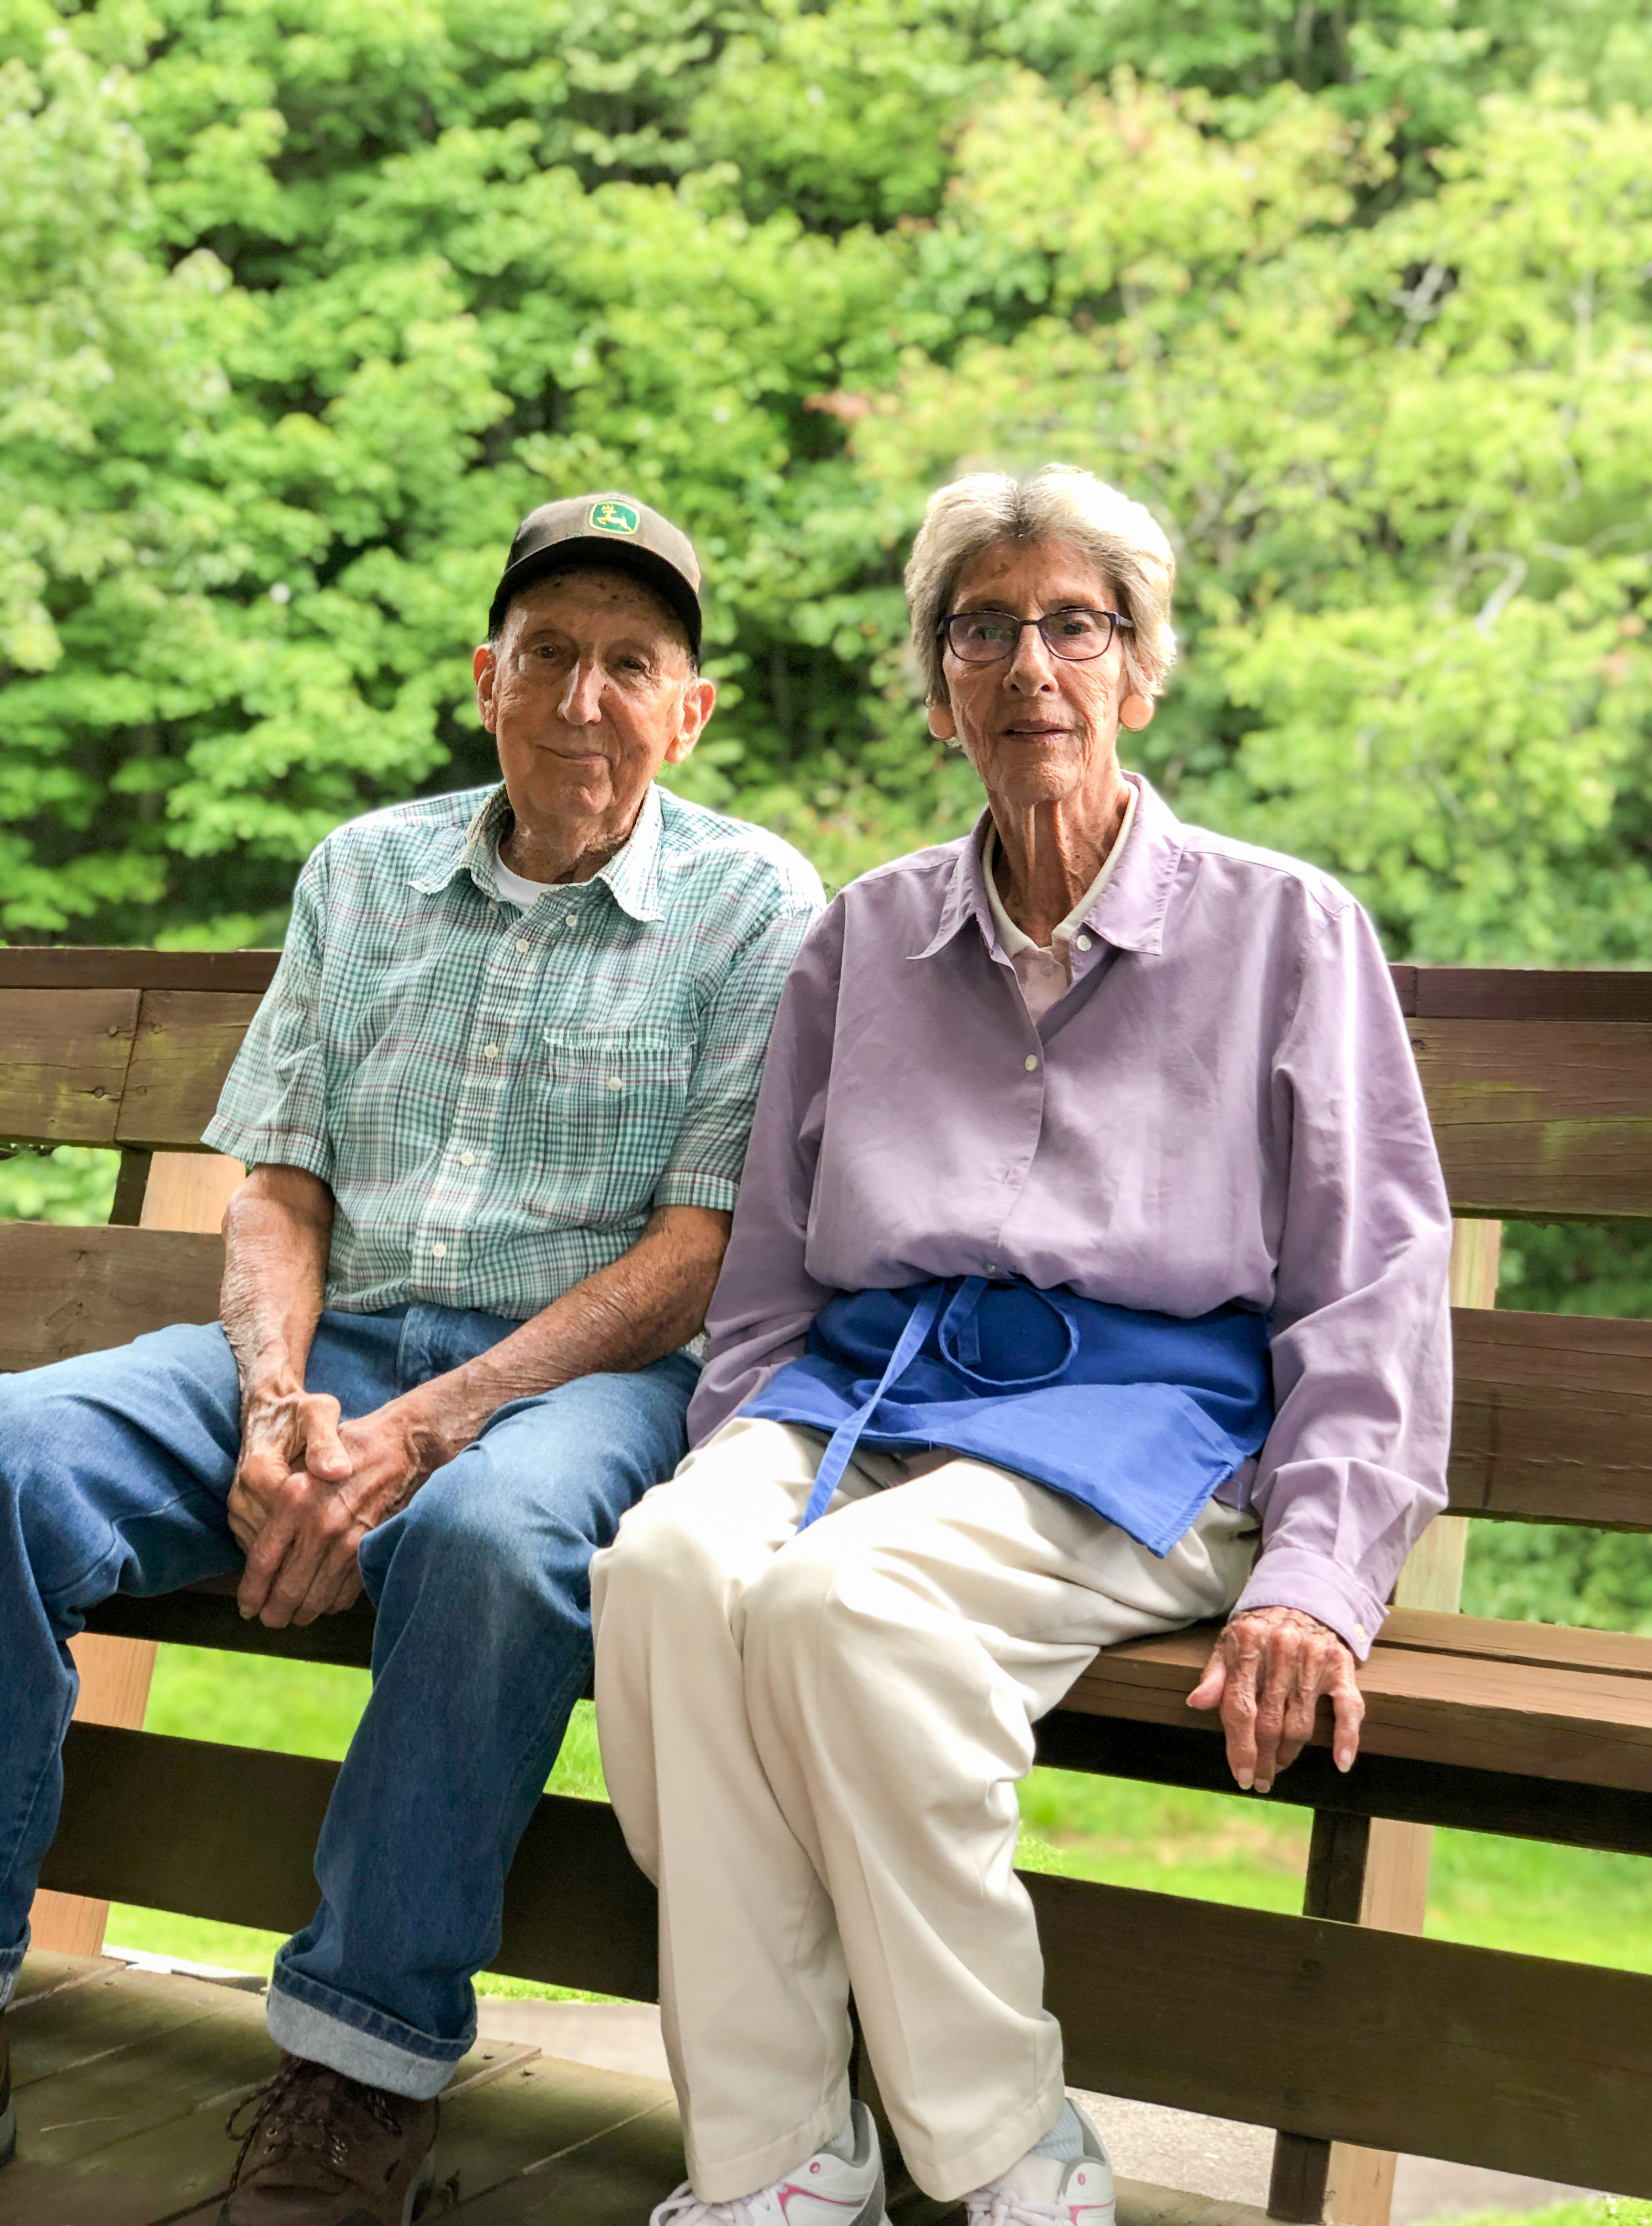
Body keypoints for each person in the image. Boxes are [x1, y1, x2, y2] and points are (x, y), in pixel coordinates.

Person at [590, 464, 1453, 2226]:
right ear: (937, 688)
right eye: (985, 630)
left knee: (848, 1609)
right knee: (674, 1571)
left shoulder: (1290, 931)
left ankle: (1004, 2149)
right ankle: (773, 2166)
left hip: (1146, 1424)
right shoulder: (863, 940)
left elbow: (1373, 1285)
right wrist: (738, 1462)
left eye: (1079, 625)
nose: (1032, 666)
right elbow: (767, 1277)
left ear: (1143, 672)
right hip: (874, 1392)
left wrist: (1319, 1574)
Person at [0, 493, 825, 2223]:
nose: (583, 696)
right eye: (549, 655)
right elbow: (278, 1185)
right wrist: (285, 1406)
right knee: (9, 1458)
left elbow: (698, 1256)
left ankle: (356, 2071)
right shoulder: (363, 872)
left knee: (485, 1536)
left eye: (630, 662)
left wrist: (428, 1431)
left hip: (591, 1385)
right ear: (485, 679)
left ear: (692, 708)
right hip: (336, 1348)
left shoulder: (758, 907)